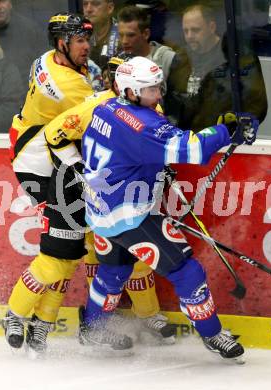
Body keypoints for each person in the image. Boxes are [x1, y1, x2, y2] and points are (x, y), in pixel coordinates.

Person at [77, 56, 258, 360]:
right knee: (188, 271)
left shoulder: (104, 108)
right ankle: (213, 335)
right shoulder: (142, 124)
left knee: (114, 270)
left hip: (99, 211)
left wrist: (152, 163)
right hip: (130, 217)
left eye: (158, 87)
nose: (158, 95)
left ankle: (91, 330)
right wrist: (227, 131)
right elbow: (192, 148)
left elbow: (125, 150)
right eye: (150, 90)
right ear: (131, 91)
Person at [44, 54, 176, 345]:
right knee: (99, 261)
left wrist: (164, 167)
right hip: (101, 198)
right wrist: (81, 171)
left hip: (136, 197)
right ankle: (98, 326)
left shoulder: (151, 104)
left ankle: (147, 315)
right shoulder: (96, 105)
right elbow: (54, 134)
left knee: (141, 259)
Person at [4, 12, 95, 356]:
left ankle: (40, 324)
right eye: (79, 41)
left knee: (70, 251)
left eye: (87, 39)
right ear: (62, 44)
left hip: (41, 153)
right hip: (43, 165)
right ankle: (18, 314)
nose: (87, 46)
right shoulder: (72, 87)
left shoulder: (47, 59)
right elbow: (100, 121)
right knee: (62, 251)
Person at [165, 4, 267, 130]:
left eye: (195, 30)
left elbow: (256, 105)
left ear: (212, 27)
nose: (189, 36)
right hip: (188, 141)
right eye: (186, 31)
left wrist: (228, 132)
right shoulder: (181, 59)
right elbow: (171, 102)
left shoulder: (237, 59)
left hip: (222, 141)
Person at [0, 0, 46, 90]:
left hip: (26, 96)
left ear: (10, 3)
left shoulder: (31, 31)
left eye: (3, 1)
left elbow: (46, 71)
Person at [117, 5, 176, 82]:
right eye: (121, 35)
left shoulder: (167, 59)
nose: (124, 41)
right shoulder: (119, 60)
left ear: (146, 34)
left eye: (131, 35)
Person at [82, 0, 119, 69]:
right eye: (85, 4)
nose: (88, 9)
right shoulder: (78, 35)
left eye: (95, 4)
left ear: (110, 8)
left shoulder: (124, 35)